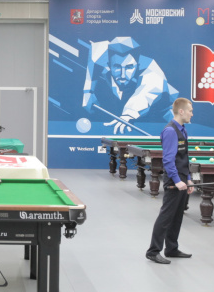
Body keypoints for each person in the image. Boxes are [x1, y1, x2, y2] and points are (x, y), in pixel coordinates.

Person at [82, 37, 178, 134]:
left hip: (162, 108)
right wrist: (88, 92)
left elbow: (144, 95)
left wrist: (128, 114)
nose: (123, 75)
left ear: (137, 65)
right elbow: (95, 52)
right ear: (109, 64)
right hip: (127, 99)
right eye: (117, 66)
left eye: (129, 67)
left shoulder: (152, 72)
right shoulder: (101, 53)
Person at [146, 98, 194, 264]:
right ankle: (153, 251)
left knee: (177, 216)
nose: (191, 114)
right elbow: (168, 160)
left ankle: (171, 248)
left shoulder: (183, 130)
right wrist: (177, 180)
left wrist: (188, 179)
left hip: (182, 178)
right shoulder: (170, 131)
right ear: (181, 111)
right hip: (174, 180)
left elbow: (184, 157)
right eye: (190, 111)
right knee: (166, 216)